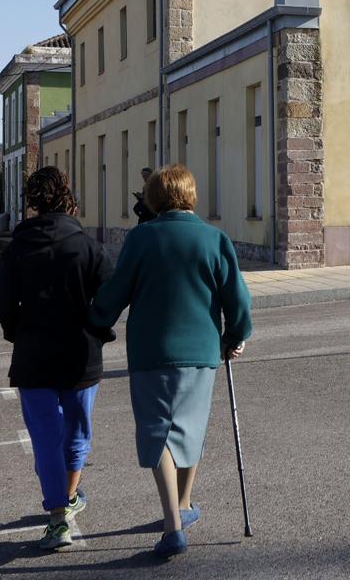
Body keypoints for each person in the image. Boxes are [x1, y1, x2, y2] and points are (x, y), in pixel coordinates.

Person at [90, 164, 253, 558]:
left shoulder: (141, 239)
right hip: (202, 351)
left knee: (156, 431)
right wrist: (235, 336)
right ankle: (182, 504)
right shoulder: (215, 239)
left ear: (154, 198)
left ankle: (172, 525)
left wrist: (96, 320)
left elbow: (116, 293)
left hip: (152, 351)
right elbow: (239, 300)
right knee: (190, 429)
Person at [0, 166, 114, 551]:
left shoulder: (17, 248)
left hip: (34, 355)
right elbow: (109, 297)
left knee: (45, 438)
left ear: (33, 203)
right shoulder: (87, 246)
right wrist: (96, 330)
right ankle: (70, 499)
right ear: (67, 197)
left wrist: (17, 332)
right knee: (76, 434)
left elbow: (1, 301)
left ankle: (58, 517)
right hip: (81, 355)